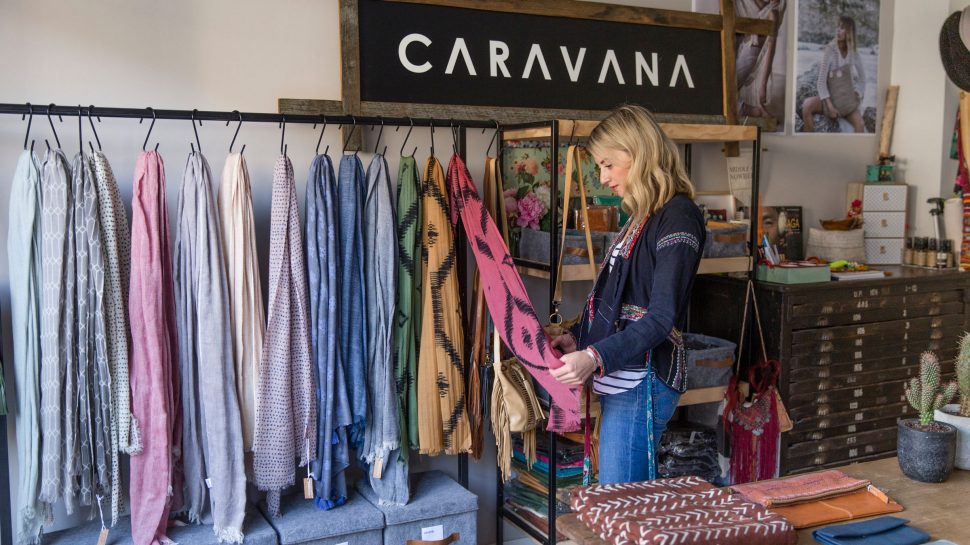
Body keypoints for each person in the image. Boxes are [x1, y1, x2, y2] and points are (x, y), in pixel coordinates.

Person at [549, 105, 706, 484]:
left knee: (621, 504)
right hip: (625, 379)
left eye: (607, 164)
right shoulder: (644, 214)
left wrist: (595, 356)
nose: (602, 178)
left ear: (635, 153)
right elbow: (618, 301)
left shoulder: (678, 217)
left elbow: (660, 317)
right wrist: (579, 340)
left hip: (642, 384)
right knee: (618, 501)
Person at [800, 16, 867, 133]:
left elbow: (862, 78)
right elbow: (821, 82)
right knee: (807, 105)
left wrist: (858, 93)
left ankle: (853, 150)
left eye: (842, 28)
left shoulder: (853, 52)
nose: (838, 31)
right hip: (830, 98)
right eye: (838, 27)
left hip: (846, 100)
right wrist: (830, 106)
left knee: (860, 124)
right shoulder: (830, 49)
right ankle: (809, 142)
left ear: (849, 32)